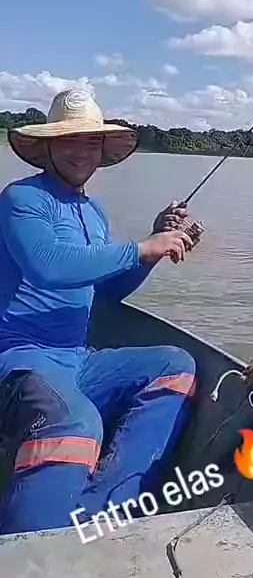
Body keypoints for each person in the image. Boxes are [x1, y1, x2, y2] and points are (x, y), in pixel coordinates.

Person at [0, 88, 197, 534]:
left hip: (77, 359)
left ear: (103, 150)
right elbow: (48, 265)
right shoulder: (22, 199)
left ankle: (103, 513)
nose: (81, 151)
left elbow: (105, 292)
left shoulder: (94, 211)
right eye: (69, 140)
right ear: (47, 146)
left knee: (175, 366)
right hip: (19, 360)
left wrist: (153, 251)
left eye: (91, 142)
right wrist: (141, 248)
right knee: (76, 422)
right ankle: (28, 553)